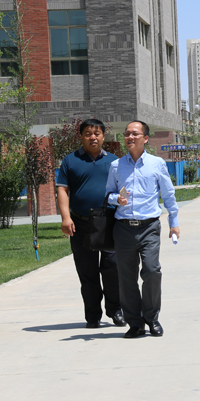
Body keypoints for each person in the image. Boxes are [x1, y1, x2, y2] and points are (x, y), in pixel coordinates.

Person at [105, 121, 180, 338]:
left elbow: (168, 194)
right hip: (123, 228)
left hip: (149, 227)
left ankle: (151, 318)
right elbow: (108, 194)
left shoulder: (157, 164)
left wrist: (174, 222)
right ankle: (135, 323)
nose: (130, 137)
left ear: (145, 138)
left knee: (152, 270)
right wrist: (116, 199)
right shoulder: (116, 166)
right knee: (126, 277)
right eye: (127, 134)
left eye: (135, 134)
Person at [56, 119, 125, 329]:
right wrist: (65, 218)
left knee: (112, 268)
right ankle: (93, 315)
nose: (92, 137)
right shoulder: (70, 161)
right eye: (88, 133)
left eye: (97, 133)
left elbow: (122, 189)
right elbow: (62, 190)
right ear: (81, 136)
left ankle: (115, 310)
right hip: (80, 223)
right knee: (87, 272)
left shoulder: (114, 161)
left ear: (103, 136)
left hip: (109, 222)